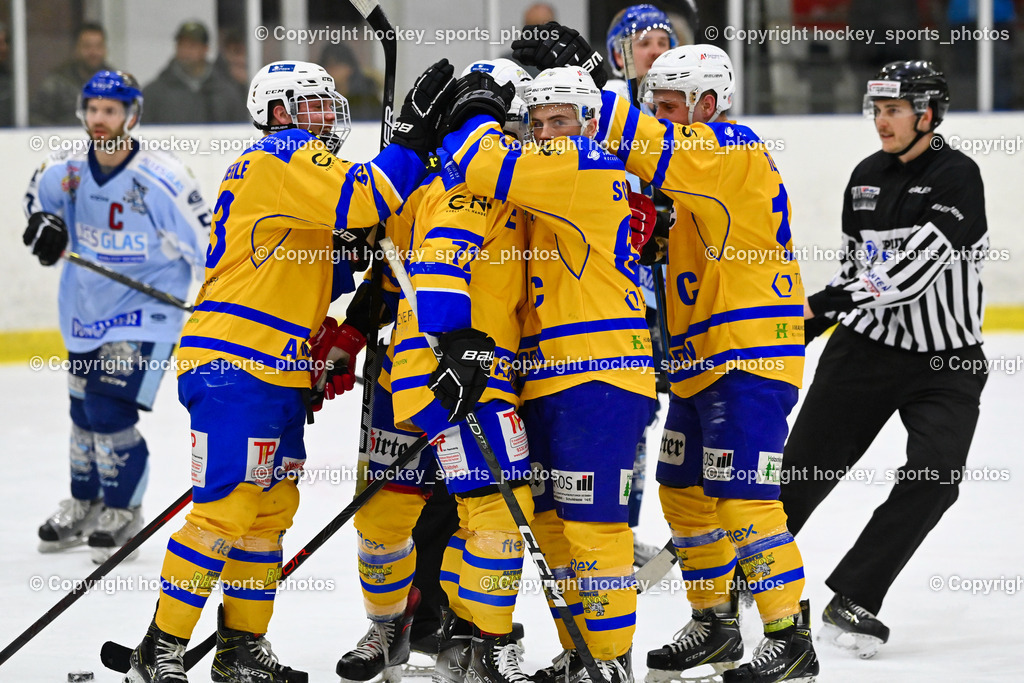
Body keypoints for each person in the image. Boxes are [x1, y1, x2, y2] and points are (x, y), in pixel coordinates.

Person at [122, 57, 454, 682]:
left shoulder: (297, 183)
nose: (329, 117)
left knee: (269, 511)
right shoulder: (283, 154)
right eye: (315, 105)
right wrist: (410, 139)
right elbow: (368, 193)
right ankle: (158, 647)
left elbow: (334, 261)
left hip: (273, 370)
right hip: (235, 362)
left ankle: (241, 648)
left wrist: (333, 330)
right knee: (226, 508)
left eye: (331, 104)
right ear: (280, 114)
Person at [512, 28, 821, 681]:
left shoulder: (732, 148)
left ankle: (790, 633)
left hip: (748, 350)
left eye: (675, 102)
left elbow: (656, 149)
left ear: (712, 101)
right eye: (659, 103)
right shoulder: (683, 174)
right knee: (681, 491)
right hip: (697, 357)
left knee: (743, 494)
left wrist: (592, 89)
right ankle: (714, 622)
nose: (664, 115)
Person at [440, 64, 658, 683]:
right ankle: (581, 651)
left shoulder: (580, 165)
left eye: (559, 119)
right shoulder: (560, 171)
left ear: (590, 121)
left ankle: (610, 662)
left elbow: (481, 164)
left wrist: (475, 113)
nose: (544, 132)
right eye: (535, 123)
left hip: (600, 373)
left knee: (594, 530)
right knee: (559, 531)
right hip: (551, 375)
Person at [781, 61, 989, 659]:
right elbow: (857, 267)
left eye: (894, 110)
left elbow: (915, 270)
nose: (881, 121)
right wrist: (818, 322)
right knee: (804, 470)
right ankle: (745, 573)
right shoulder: (865, 176)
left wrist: (823, 306)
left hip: (945, 361)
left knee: (936, 477)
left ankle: (855, 596)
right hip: (865, 351)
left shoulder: (958, 175)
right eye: (876, 110)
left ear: (928, 114)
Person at [23, 70, 209, 565]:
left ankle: (124, 508)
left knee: (109, 411)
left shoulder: (164, 179)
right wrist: (44, 226)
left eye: (110, 110)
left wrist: (219, 303)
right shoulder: (66, 171)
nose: (99, 119)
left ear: (132, 114)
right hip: (84, 310)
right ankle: (86, 502)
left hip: (147, 312)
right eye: (93, 108)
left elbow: (208, 245)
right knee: (83, 414)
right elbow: (35, 201)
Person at [603, 2, 680, 567]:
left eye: (664, 41)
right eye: (644, 42)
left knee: (668, 412)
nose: (656, 50)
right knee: (628, 409)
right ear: (618, 53)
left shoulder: (685, 118)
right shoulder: (601, 111)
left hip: (676, 293)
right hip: (620, 292)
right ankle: (613, 527)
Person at [143, 20, 246, 124]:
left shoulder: (225, 92)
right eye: (182, 45)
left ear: (205, 49)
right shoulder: (154, 93)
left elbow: (240, 131)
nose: (186, 51)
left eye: (192, 46)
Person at [31, 23, 112, 126]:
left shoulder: (116, 82)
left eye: (98, 46)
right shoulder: (57, 83)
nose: (93, 52)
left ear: (105, 49)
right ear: (76, 49)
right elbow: (35, 118)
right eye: (87, 46)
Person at [319, 42, 383, 121]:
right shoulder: (319, 98)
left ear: (350, 68)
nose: (330, 70)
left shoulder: (366, 100)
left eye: (335, 65)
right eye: (326, 65)